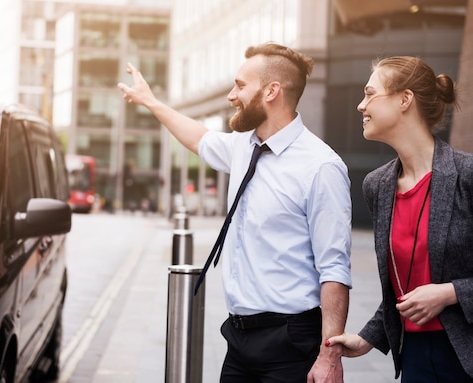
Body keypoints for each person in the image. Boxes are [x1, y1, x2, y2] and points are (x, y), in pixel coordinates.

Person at [119, 42, 352, 382]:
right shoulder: (244, 146)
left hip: (290, 341)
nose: (232, 95)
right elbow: (199, 138)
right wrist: (152, 102)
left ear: (272, 91)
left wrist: (329, 356)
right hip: (239, 338)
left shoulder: (321, 167)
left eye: (241, 85)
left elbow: (334, 267)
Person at [325, 56, 473, 382]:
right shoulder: (378, 186)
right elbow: (400, 287)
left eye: (370, 94)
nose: (360, 106)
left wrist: (449, 292)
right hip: (415, 358)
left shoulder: (467, 176)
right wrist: (367, 338)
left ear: (405, 99)